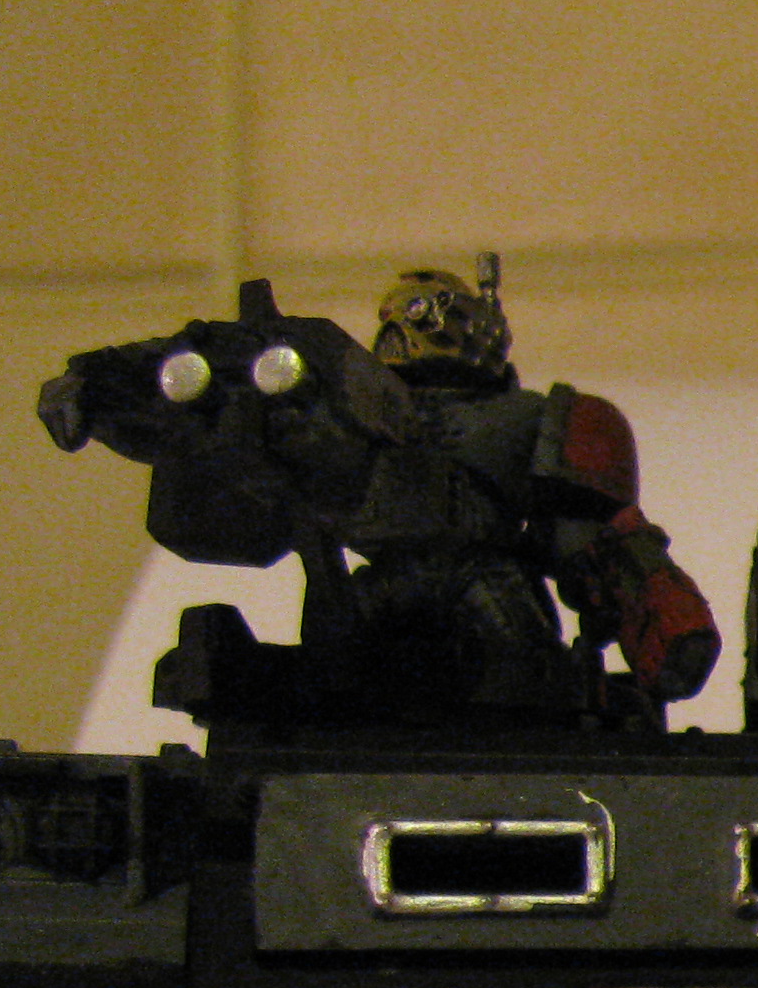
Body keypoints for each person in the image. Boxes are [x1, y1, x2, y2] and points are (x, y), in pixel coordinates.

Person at [39, 259, 716, 729]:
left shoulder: (529, 419)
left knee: (516, 692)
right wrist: (101, 392)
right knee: (338, 682)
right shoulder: (344, 407)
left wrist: (654, 614)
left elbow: (593, 539)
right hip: (371, 601)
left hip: (490, 597)